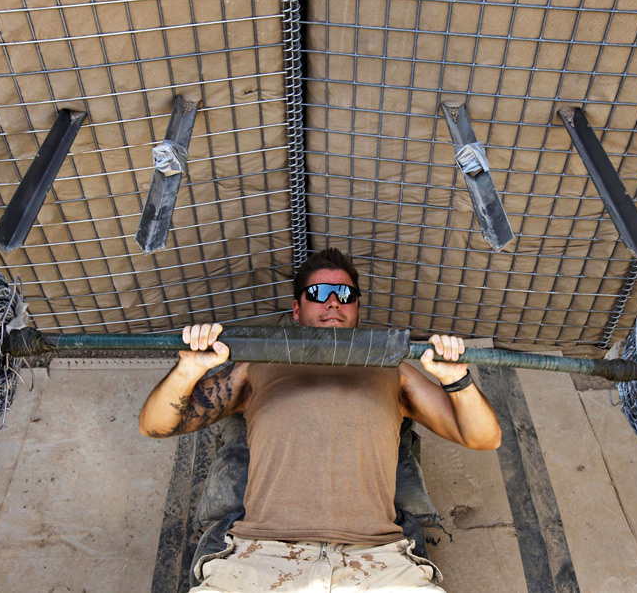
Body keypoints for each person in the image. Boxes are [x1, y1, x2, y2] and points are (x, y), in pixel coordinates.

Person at [140, 248, 501, 591]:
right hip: (262, 555)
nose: (332, 302)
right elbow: (155, 425)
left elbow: (485, 438)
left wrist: (457, 379)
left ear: (356, 307)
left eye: (344, 294)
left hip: (376, 558)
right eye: (319, 293)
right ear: (297, 309)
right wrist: (188, 370)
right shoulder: (259, 364)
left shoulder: (393, 369)